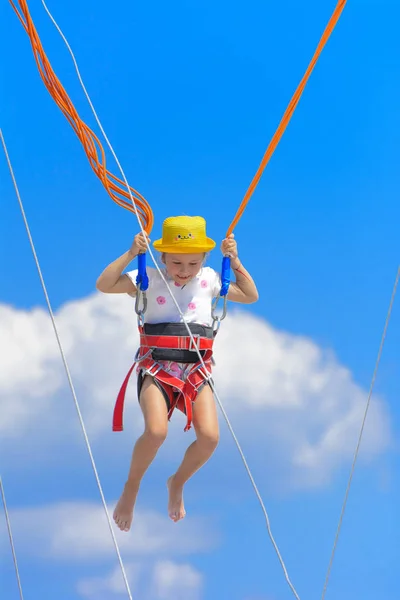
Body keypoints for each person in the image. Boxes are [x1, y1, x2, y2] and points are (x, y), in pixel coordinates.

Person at [96, 216, 258, 531]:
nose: (184, 270)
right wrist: (131, 254)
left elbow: (250, 294)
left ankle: (177, 482)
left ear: (205, 260)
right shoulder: (149, 279)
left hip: (196, 371)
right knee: (156, 432)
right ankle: (132, 487)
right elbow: (104, 285)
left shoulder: (210, 279)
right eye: (176, 262)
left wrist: (235, 261)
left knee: (210, 438)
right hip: (156, 367)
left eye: (192, 263)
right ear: (163, 258)